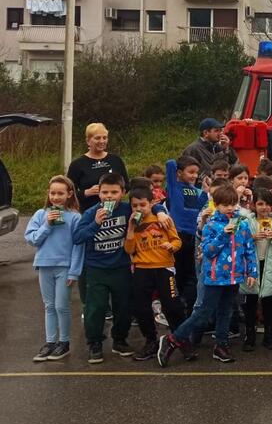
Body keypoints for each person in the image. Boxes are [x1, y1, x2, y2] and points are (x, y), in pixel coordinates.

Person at [157, 185, 258, 367]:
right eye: (225, 204)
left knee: (225, 311)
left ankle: (221, 345)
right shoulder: (211, 225)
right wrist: (223, 235)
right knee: (204, 313)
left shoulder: (242, 224)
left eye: (233, 204)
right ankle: (173, 339)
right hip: (214, 276)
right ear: (216, 205)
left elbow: (249, 249)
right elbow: (207, 250)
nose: (230, 208)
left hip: (234, 276)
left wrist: (252, 271)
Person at [73, 172, 168, 364]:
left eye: (114, 192)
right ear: (98, 193)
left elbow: (147, 205)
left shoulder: (126, 210)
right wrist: (95, 224)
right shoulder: (91, 214)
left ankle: (120, 339)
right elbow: (77, 238)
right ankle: (95, 343)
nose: (109, 196)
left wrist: (159, 210)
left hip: (121, 267)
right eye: (105, 192)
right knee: (95, 308)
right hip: (96, 269)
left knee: (123, 307)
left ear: (123, 193)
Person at [25, 175, 84, 362]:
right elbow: (32, 239)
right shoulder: (40, 215)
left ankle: (64, 343)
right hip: (44, 265)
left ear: (69, 194)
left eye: (60, 193)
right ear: (48, 194)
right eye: (53, 193)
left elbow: (78, 245)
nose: (56, 197)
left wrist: (74, 271)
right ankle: (50, 342)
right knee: (49, 306)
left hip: (64, 267)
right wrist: (47, 225)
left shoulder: (75, 217)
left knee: (61, 306)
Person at [123, 185, 184, 361]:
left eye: (142, 204)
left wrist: (172, 247)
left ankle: (180, 339)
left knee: (172, 305)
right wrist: (131, 229)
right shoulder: (133, 223)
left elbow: (176, 241)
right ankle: (151, 341)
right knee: (141, 308)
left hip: (164, 267)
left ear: (151, 203)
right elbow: (129, 249)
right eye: (135, 206)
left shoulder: (162, 220)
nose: (139, 209)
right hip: (142, 269)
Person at [241, 188, 272, 352]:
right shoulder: (246, 221)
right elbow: (237, 242)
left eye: (267, 204)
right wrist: (252, 237)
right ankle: (249, 336)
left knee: (269, 303)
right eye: (260, 204)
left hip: (271, 266)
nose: (264, 208)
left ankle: (269, 335)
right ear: (254, 205)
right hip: (251, 266)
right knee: (250, 302)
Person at [165, 155, 209, 316]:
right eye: (191, 172)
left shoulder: (193, 189)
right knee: (179, 272)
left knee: (192, 273)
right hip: (178, 234)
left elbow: (197, 208)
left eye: (197, 173)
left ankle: (188, 305)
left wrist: (204, 192)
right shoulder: (174, 186)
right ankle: (177, 305)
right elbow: (170, 163)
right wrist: (179, 162)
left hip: (193, 235)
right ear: (179, 173)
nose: (195, 176)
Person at [66, 123, 129, 213]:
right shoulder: (77, 164)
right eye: (97, 138)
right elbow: (68, 193)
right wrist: (86, 192)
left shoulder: (116, 160)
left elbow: (127, 185)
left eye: (105, 138)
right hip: (89, 211)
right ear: (88, 141)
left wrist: (113, 192)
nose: (102, 141)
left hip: (115, 211)